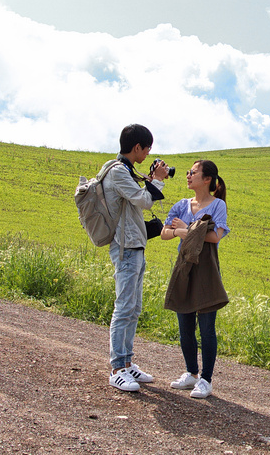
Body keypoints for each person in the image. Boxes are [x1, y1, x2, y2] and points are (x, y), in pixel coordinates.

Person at [102, 124, 170, 392]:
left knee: (134, 307)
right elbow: (144, 200)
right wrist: (157, 180)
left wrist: (151, 179)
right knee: (124, 307)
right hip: (125, 246)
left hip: (135, 245)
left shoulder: (126, 171)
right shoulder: (118, 172)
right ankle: (117, 368)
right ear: (137, 147)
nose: (148, 152)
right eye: (147, 147)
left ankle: (127, 363)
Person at [160, 160, 230, 399]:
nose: (188, 175)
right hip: (184, 267)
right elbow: (164, 234)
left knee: (207, 328)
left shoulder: (218, 204)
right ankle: (191, 373)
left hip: (206, 268)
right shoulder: (181, 204)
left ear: (207, 179)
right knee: (185, 326)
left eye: (193, 172)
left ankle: (206, 380)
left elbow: (215, 237)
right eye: (189, 172)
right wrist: (185, 231)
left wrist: (184, 228)